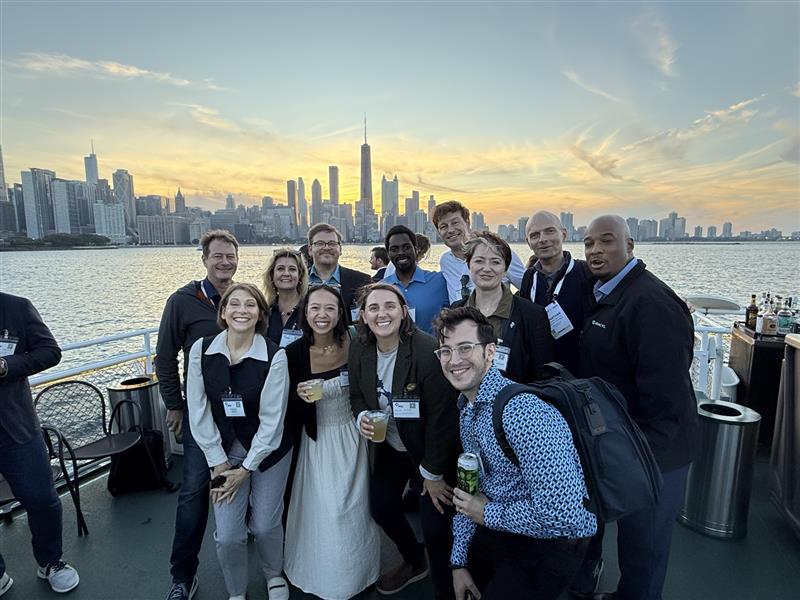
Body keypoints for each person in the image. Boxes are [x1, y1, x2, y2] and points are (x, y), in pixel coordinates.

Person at [572, 215, 699, 600]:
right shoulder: (607, 292)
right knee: (632, 541)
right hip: (626, 443)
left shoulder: (649, 302)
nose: (595, 251)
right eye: (589, 243)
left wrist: (637, 453)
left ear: (630, 246)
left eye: (606, 241)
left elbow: (665, 394)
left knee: (644, 546)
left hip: (656, 450)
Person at [432, 306, 596, 600]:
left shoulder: (523, 414)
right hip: (501, 524)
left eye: (465, 348)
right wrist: (458, 562)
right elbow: (472, 489)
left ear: (491, 352)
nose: (454, 360)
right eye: (445, 351)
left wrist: (486, 513)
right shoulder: (467, 408)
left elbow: (564, 516)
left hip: (550, 545)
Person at [349, 283, 460, 599]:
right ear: (364, 315)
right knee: (381, 508)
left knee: (436, 524)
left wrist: (433, 474)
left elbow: (442, 418)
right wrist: (362, 418)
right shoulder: (359, 348)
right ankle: (414, 560)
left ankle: (452, 579)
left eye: (389, 306)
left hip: (428, 450)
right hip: (390, 445)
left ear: (403, 311)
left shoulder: (426, 352)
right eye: (373, 308)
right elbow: (357, 395)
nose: (382, 313)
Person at [186, 283, 292, 600]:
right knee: (230, 534)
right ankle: (236, 591)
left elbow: (273, 422)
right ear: (223, 311)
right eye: (234, 304)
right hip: (223, 449)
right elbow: (198, 409)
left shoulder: (275, 356)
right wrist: (219, 462)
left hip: (269, 449)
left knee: (263, 524)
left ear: (260, 313)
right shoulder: (201, 351)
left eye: (250, 304)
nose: (241, 310)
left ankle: (274, 574)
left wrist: (245, 470)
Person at [283, 285, 380, 599]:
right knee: (328, 508)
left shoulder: (356, 342)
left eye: (329, 308)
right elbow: (283, 410)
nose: (321, 315)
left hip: (356, 434)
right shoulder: (293, 354)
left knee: (357, 507)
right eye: (314, 308)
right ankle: (326, 574)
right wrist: (298, 398)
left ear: (340, 313)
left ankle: (360, 570)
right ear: (305, 313)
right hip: (319, 440)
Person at [157, 229, 239, 600]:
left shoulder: (244, 299)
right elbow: (165, 356)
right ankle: (183, 575)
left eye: (230, 256)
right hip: (200, 415)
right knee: (193, 494)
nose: (224, 262)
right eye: (217, 256)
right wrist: (175, 404)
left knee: (243, 482)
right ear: (204, 260)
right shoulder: (183, 301)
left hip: (243, 414)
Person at [0, 293, 80, 596]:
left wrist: (6, 366)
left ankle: (50, 562)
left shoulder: (15, 308)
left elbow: (49, 352)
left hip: (16, 428)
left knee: (43, 500)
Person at [450, 231, 553, 383]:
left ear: (505, 269)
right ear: (469, 265)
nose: (486, 268)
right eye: (479, 261)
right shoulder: (456, 311)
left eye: (495, 262)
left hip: (517, 402)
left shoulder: (532, 315)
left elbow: (543, 376)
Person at [519, 211, 593, 374]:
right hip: (539, 373)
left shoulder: (586, 272)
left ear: (564, 234)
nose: (543, 239)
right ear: (528, 242)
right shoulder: (529, 278)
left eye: (549, 231)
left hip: (579, 374)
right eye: (535, 235)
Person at [433, 200, 525, 303]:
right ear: (439, 232)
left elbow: (528, 287)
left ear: (467, 223)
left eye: (455, 223)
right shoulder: (446, 261)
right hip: (459, 317)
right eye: (443, 226)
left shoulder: (499, 253)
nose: (450, 230)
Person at [382, 225, 450, 335]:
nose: (401, 253)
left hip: (432, 350)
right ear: (388, 254)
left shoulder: (440, 281)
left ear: (415, 249)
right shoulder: (381, 288)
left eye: (406, 247)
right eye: (394, 249)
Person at [307, 224, 371, 322]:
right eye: (320, 243)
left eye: (332, 243)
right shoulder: (297, 281)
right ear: (310, 250)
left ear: (340, 249)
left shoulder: (362, 281)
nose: (327, 248)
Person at [262, 248, 309, 348]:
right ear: (272, 275)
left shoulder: (310, 310)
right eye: (280, 269)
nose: (286, 273)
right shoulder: (265, 312)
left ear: (300, 275)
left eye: (292, 269)